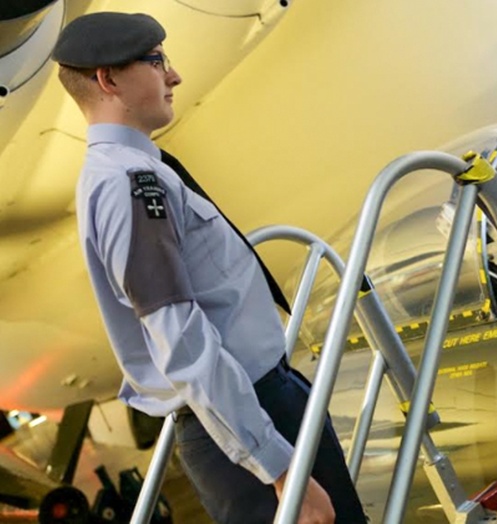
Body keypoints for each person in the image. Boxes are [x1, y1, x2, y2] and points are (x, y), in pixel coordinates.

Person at [52, 12, 366, 524]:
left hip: (258, 402)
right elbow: (181, 338)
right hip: (244, 423)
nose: (173, 76)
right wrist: (278, 466)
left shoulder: (142, 170)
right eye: (156, 62)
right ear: (108, 79)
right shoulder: (129, 183)